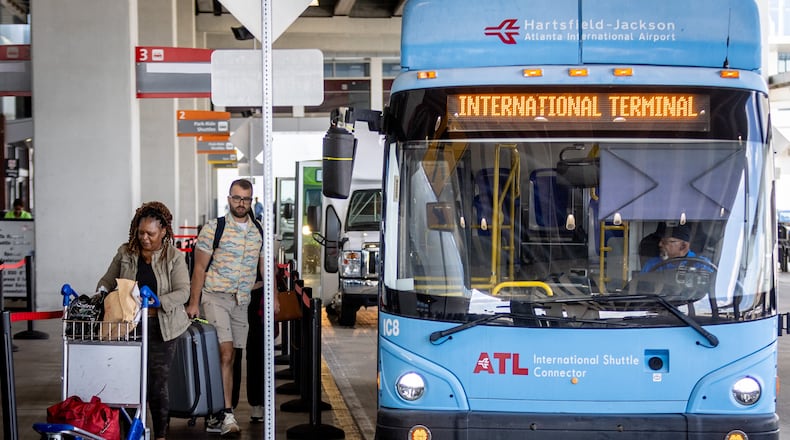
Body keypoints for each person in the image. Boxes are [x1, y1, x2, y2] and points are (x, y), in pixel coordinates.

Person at [186, 179, 279, 437]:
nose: (241, 203)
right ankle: (227, 414)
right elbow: (199, 269)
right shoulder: (214, 228)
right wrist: (194, 302)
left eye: (246, 199)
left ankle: (215, 411)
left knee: (232, 356)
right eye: (237, 198)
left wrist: (274, 298)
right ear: (229, 199)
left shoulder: (258, 230)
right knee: (226, 353)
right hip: (215, 297)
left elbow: (265, 267)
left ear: (252, 201)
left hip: (242, 301)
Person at [96, 201, 190, 440]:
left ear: (164, 232)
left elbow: (183, 292)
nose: (145, 238)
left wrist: (157, 301)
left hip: (162, 327)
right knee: (127, 380)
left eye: (151, 233)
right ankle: (130, 433)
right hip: (129, 325)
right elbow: (107, 280)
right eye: (141, 233)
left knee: (157, 384)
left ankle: (160, 434)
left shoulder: (174, 257)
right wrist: (101, 293)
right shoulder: (125, 252)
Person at [641, 224, 710, 272]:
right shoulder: (652, 264)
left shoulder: (702, 265)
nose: (660, 244)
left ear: (683, 246)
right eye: (660, 241)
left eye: (665, 242)